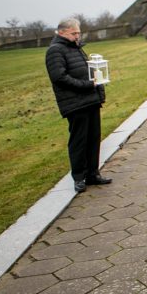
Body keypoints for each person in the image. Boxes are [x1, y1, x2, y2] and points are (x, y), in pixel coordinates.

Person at [45, 18, 112, 193]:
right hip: (75, 104)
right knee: (79, 141)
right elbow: (59, 77)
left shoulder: (76, 47)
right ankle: (79, 177)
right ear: (62, 32)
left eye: (78, 33)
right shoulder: (55, 51)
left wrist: (96, 87)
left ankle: (92, 174)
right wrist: (87, 85)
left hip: (90, 101)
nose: (77, 36)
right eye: (73, 33)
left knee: (93, 139)